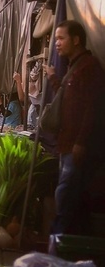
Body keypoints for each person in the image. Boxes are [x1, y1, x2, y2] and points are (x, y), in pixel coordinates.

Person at [45, 20, 105, 235]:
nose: (57, 44)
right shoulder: (74, 68)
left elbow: (93, 108)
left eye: (61, 38)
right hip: (66, 144)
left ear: (76, 40)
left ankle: (59, 243)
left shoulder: (89, 67)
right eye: (56, 39)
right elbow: (64, 98)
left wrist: (81, 142)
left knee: (65, 194)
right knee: (69, 197)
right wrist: (52, 77)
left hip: (76, 147)